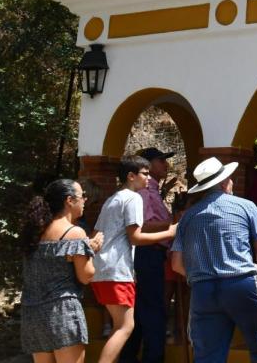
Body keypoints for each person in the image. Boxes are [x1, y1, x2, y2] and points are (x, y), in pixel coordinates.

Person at [171, 157, 257, 363]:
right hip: (240, 284)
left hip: (202, 290)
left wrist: (199, 275)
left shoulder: (188, 217)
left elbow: (176, 264)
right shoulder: (246, 206)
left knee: (207, 355)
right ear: (223, 182)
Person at [92, 156, 177, 363]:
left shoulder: (112, 199)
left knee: (123, 325)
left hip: (103, 269)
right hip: (118, 269)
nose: (148, 178)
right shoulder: (133, 198)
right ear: (131, 176)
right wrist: (171, 231)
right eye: (145, 174)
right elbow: (136, 237)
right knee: (125, 327)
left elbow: (96, 234)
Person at [20, 179, 102, 363]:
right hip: (62, 310)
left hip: (33, 313)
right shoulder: (75, 233)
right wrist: (91, 251)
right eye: (82, 196)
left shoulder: (35, 230)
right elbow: (86, 276)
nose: (85, 201)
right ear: (69, 200)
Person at [121, 147, 175, 363]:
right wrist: (173, 224)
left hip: (152, 254)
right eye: (162, 160)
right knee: (152, 310)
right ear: (148, 165)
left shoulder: (151, 191)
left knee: (144, 310)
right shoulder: (143, 192)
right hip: (146, 253)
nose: (166, 165)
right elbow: (142, 227)